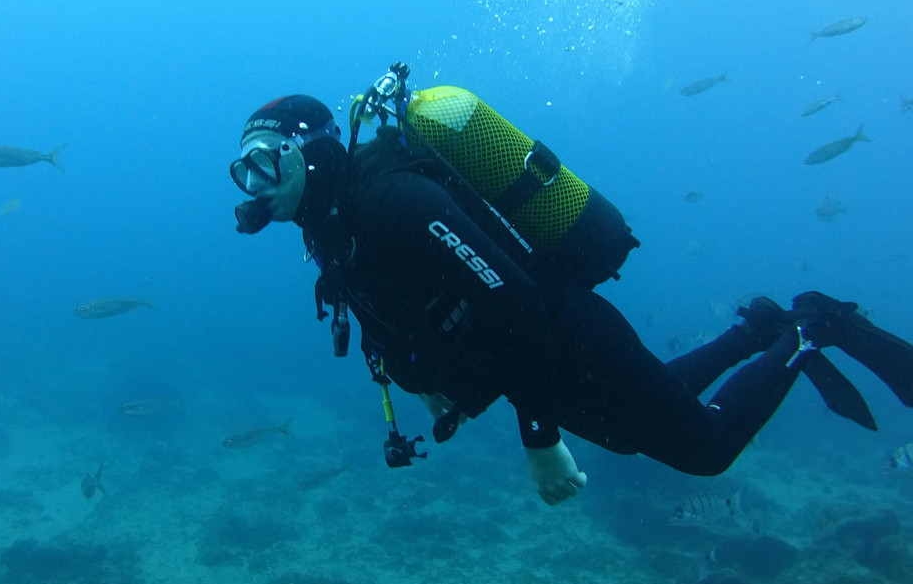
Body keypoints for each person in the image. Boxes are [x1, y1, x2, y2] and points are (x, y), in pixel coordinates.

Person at [230, 67, 913, 506]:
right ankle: (753, 331)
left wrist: (537, 436)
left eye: (264, 165)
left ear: (309, 153)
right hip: (535, 362)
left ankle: (808, 327)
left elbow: (515, 299)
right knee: (627, 435)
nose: (254, 188)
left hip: (565, 336)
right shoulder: (331, 227)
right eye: (244, 173)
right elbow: (401, 311)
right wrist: (437, 380)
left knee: (704, 449)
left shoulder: (393, 202)